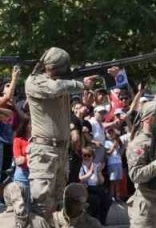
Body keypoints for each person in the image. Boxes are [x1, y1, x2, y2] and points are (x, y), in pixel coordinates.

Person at [24, 48, 102, 215]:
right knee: (41, 202)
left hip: (61, 150)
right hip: (44, 150)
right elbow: (54, 88)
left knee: (58, 202)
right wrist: (81, 84)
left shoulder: (61, 83)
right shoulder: (35, 81)